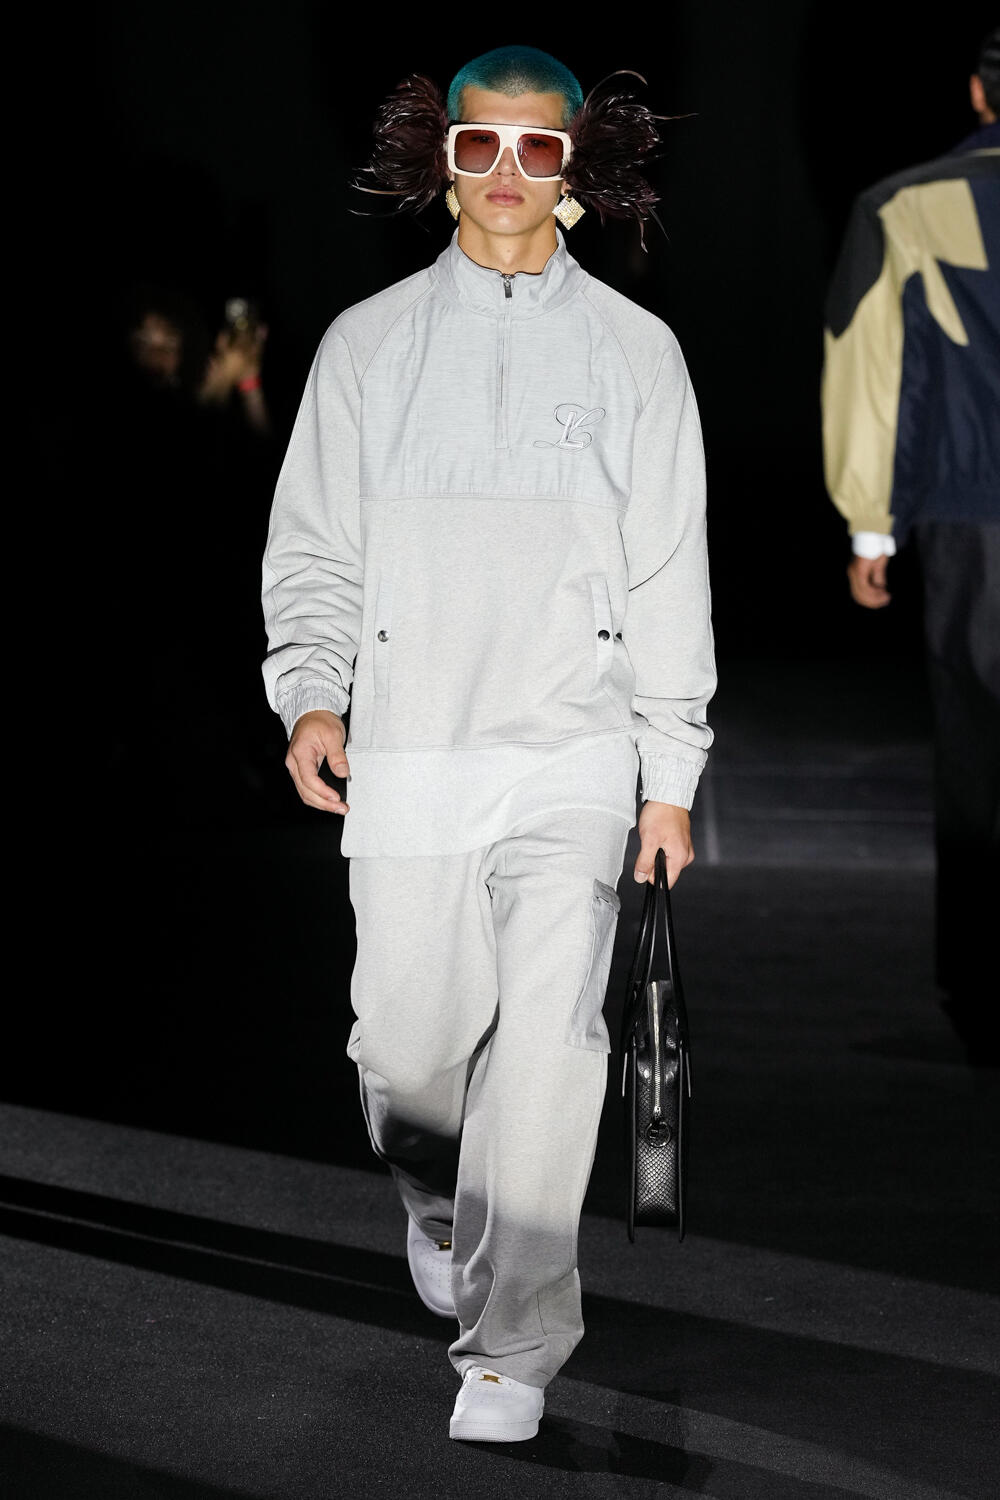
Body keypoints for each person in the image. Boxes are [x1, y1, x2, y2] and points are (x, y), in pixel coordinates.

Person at [261, 46, 715, 1440]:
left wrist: (668, 777)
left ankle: (511, 1349)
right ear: (441, 158)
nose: (506, 173)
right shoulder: (368, 345)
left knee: (553, 1050)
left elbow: (669, 574)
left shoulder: (636, 353)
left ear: (575, 169)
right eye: (480, 146)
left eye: (536, 149)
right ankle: (435, 1193)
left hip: (571, 755)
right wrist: (312, 693)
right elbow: (315, 547)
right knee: (407, 1056)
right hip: (412, 752)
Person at [821, 29, 999, 1064]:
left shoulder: (905, 206)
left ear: (977, 92)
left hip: (973, 521)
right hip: (970, 509)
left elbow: (870, 364)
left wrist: (869, 521)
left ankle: (979, 993)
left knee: (978, 758)